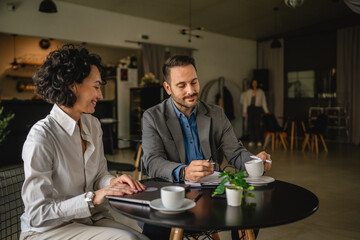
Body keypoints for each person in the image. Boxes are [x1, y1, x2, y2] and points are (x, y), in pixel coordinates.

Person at [20, 44, 149, 240]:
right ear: (72, 85)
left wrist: (112, 182)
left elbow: (99, 175)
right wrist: (93, 197)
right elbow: (38, 214)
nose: (101, 96)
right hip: (47, 230)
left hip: (87, 219)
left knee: (142, 238)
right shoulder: (42, 137)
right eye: (96, 87)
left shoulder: (92, 125)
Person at [141, 55, 272, 239]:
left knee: (250, 209)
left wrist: (255, 161)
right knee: (154, 229)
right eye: (182, 85)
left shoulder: (216, 113)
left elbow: (235, 152)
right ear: (168, 88)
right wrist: (184, 171)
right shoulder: (153, 117)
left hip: (212, 193)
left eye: (194, 82)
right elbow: (152, 161)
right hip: (172, 192)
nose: (191, 90)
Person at [243, 79, 269, 147]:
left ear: (257, 84)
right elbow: (245, 102)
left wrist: (266, 111)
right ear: (252, 84)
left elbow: (263, 102)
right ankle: (251, 140)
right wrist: (245, 111)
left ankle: (259, 140)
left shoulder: (261, 92)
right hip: (250, 109)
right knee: (250, 124)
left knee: (257, 124)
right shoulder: (248, 92)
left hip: (258, 109)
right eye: (253, 83)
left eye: (256, 83)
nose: (254, 84)